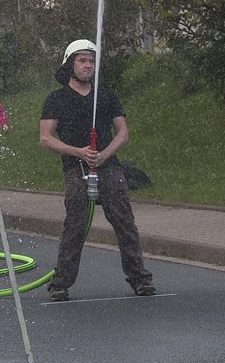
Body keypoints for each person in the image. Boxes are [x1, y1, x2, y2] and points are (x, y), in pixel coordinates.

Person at [39, 39, 155, 302]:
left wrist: (105, 154)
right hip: (75, 168)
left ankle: (140, 279)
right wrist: (78, 152)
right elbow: (46, 138)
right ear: (70, 65)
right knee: (75, 225)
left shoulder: (106, 96)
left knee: (125, 222)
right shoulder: (56, 99)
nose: (88, 65)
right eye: (82, 60)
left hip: (109, 167)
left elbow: (122, 133)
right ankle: (61, 283)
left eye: (91, 61)